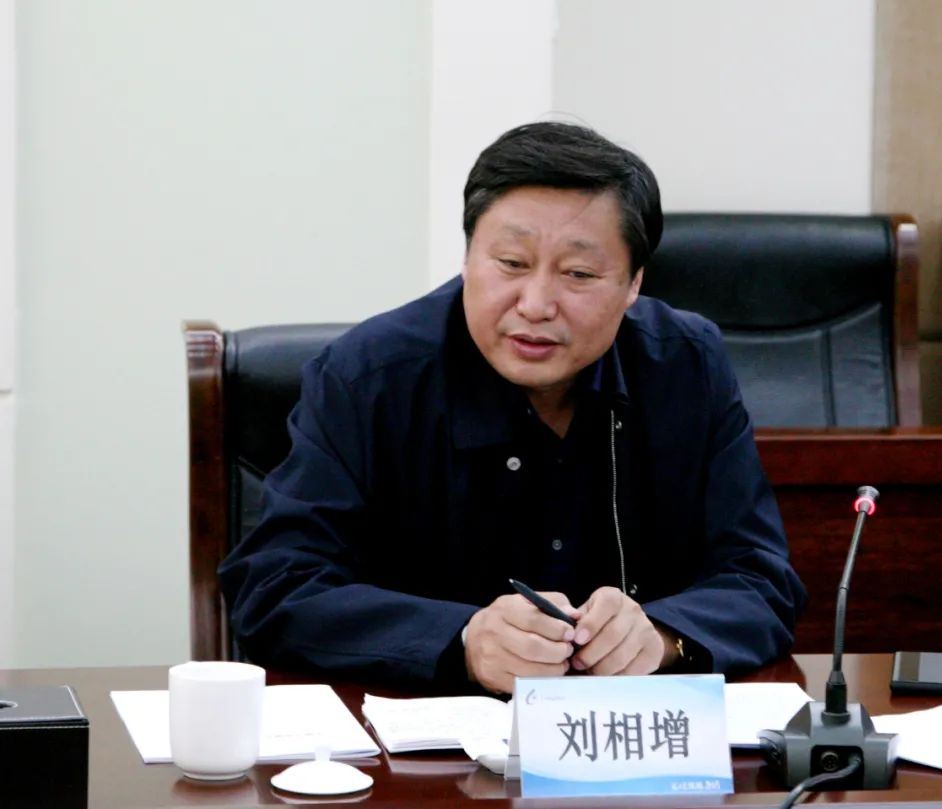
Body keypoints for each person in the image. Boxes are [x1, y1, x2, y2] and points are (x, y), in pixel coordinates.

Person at [219, 121, 806, 695]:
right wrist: (462, 640)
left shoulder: (686, 364)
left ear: (633, 284)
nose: (536, 304)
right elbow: (277, 586)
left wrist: (661, 636)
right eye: (511, 263)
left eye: (578, 273)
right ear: (468, 257)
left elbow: (759, 577)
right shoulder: (367, 377)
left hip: (631, 736)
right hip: (423, 744)